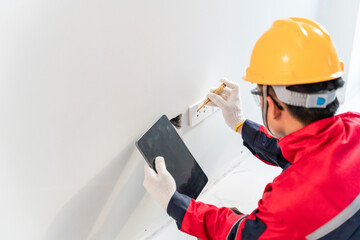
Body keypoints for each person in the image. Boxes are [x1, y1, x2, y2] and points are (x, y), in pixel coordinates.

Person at [143, 17, 360, 239]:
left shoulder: (286, 208)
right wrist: (241, 124)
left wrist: (174, 202)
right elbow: (295, 151)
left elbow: (241, 233)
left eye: (259, 95)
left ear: (274, 107)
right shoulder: (354, 125)